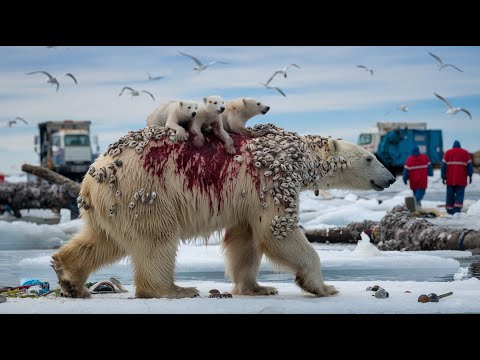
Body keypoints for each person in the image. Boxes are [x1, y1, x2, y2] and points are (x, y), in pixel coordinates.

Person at [441, 140, 473, 214]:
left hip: (450, 179)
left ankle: (449, 209)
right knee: (460, 194)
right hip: (461, 179)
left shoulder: (448, 153)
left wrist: (443, 177)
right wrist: (470, 176)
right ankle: (457, 210)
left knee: (450, 194)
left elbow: (443, 167)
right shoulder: (465, 153)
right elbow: (469, 167)